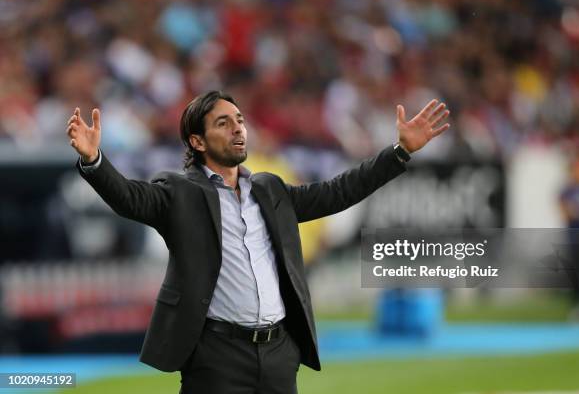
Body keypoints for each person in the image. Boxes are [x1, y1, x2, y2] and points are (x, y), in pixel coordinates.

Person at [65, 91, 450, 394]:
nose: (238, 129)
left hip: (279, 351)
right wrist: (95, 160)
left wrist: (398, 153)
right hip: (217, 355)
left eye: (240, 120)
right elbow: (130, 198)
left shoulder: (269, 188)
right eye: (223, 123)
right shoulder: (178, 191)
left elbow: (338, 192)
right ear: (197, 141)